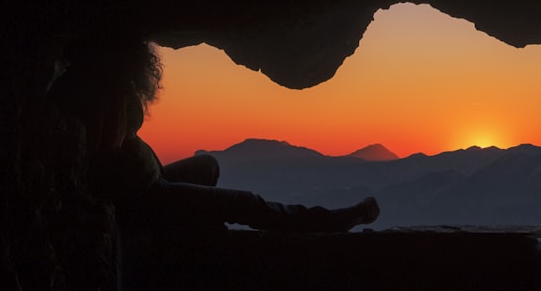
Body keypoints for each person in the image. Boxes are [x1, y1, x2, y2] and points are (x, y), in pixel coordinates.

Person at [48, 32, 380, 234]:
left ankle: (192, 219)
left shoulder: (104, 88)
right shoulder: (97, 95)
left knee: (208, 166)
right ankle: (337, 221)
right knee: (246, 203)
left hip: (151, 180)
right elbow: (98, 155)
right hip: (145, 197)